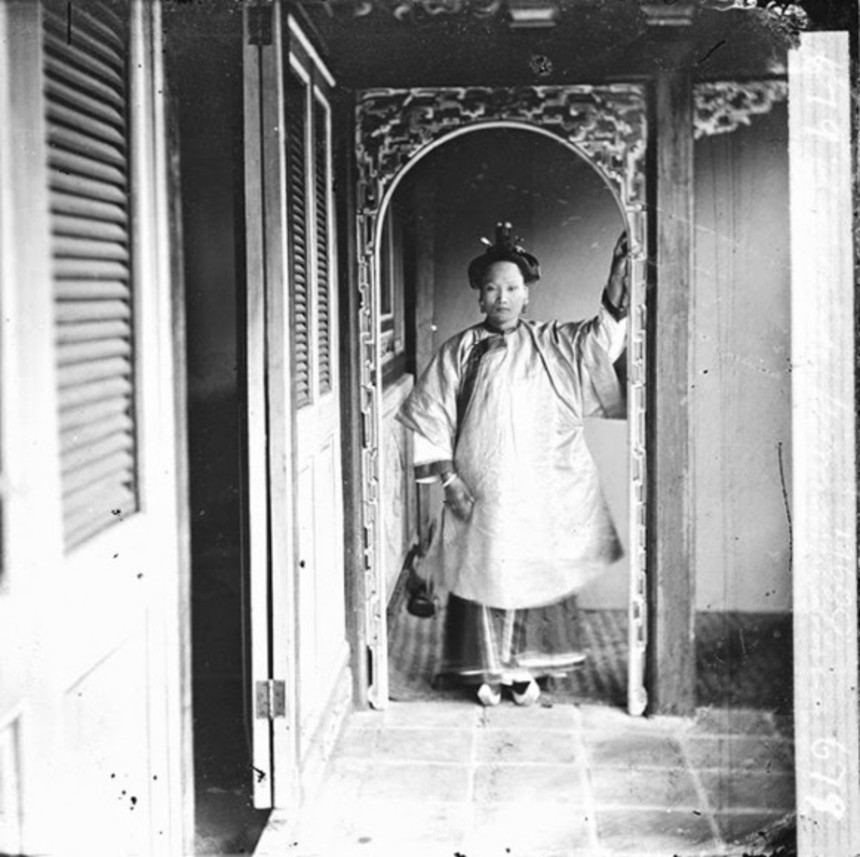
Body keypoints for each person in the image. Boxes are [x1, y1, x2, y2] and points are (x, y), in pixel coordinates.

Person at [396, 222, 630, 707]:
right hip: (478, 485)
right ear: (480, 296)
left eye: (512, 288)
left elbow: (599, 344)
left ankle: (525, 670)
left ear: (527, 295)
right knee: (483, 570)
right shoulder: (458, 351)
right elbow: (430, 415)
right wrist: (449, 479)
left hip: (535, 486)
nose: (501, 297)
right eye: (492, 288)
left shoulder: (551, 343)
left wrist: (615, 284)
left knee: (532, 568)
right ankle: (486, 669)